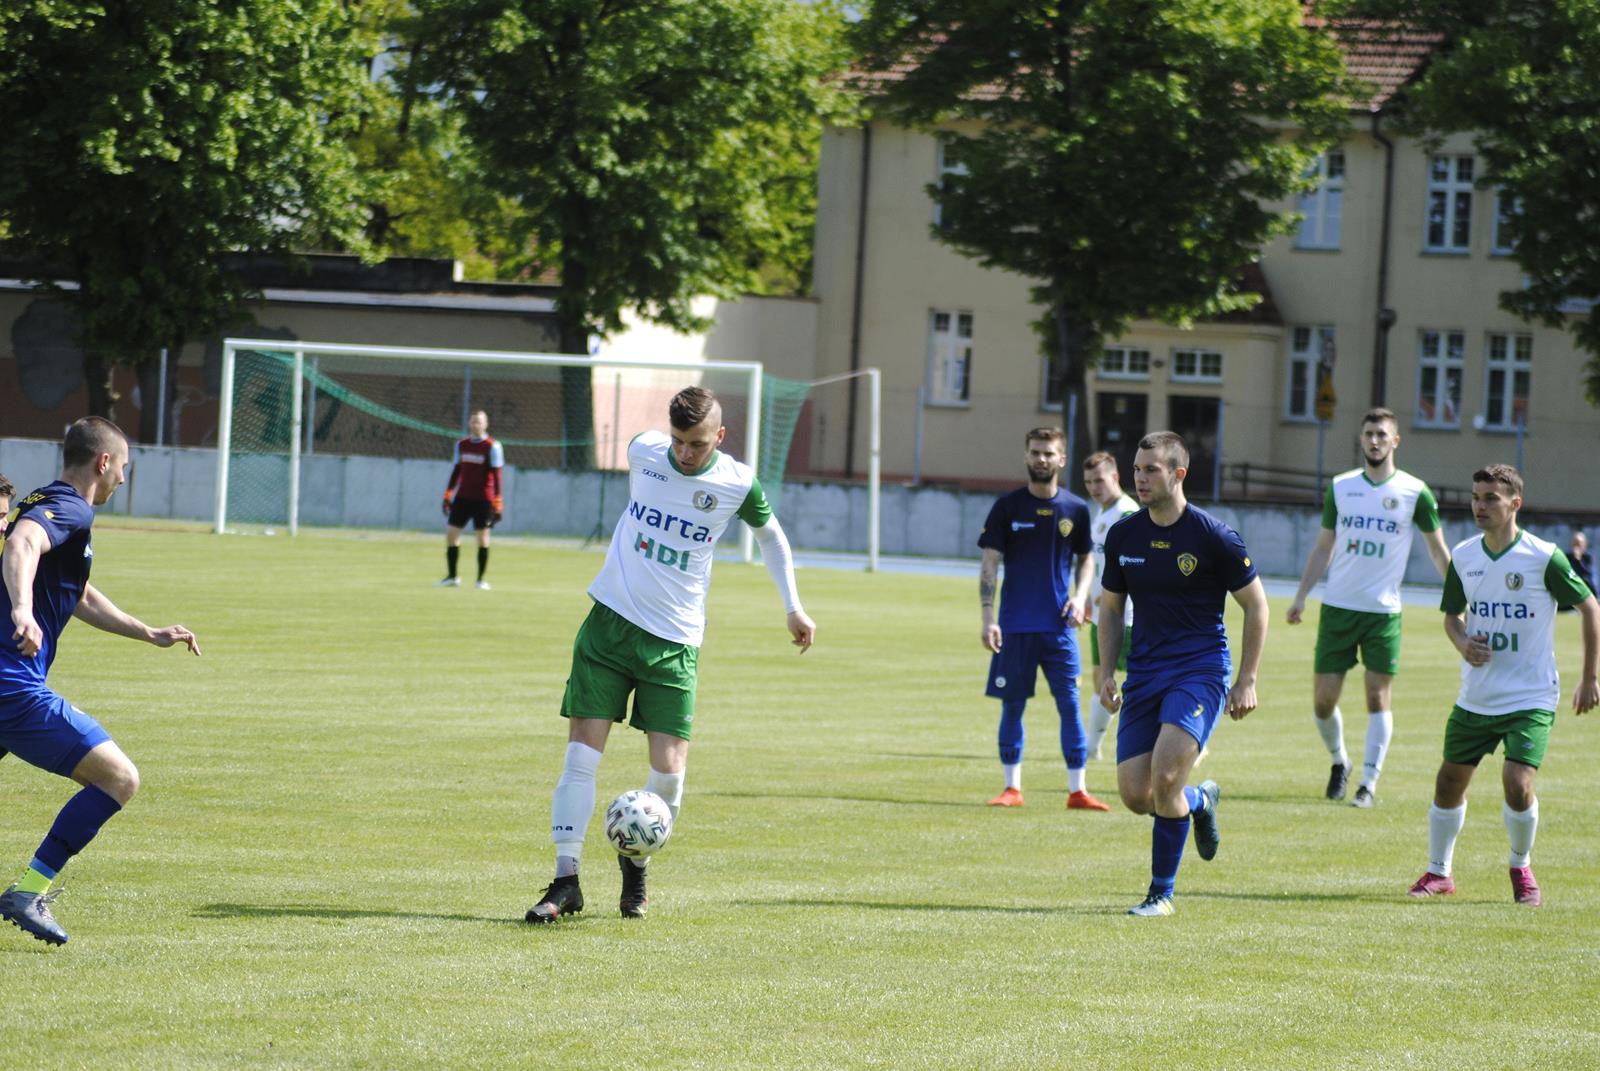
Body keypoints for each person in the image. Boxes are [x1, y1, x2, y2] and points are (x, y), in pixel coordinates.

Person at [527, 387, 816, 923]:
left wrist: (793, 608)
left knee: (669, 773)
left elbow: (772, 538)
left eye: (699, 444)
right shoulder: (645, 452)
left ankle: (634, 866)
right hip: (609, 626)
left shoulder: (735, 482)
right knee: (579, 759)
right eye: (680, 442)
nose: (686, 454)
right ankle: (565, 880)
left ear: (720, 437)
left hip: (675, 642)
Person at [0, 418, 200, 946]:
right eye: (124, 469)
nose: (124, 481)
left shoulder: (50, 501)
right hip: (13, 687)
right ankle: (29, 890)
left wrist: (148, 632)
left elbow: (80, 594)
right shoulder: (70, 506)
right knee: (119, 779)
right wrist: (23, 610)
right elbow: (20, 545)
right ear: (103, 462)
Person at [1408, 464, 1598, 907]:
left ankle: (1520, 866)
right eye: (1476, 496)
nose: (1480, 505)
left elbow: (1591, 608)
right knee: (1448, 782)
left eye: (1490, 498)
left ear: (1515, 504)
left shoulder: (1543, 556)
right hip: (1477, 693)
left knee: (1517, 781)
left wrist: (1590, 678)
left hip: (1530, 695)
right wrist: (1462, 644)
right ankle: (1439, 873)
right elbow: (1452, 618)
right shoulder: (1465, 557)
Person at [1097, 431, 1268, 917]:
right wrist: (1108, 672)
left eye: (1151, 469)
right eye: (1136, 469)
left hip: (1200, 670)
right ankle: (1200, 801)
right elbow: (1111, 609)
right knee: (1137, 795)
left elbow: (1256, 607)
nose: (1140, 478)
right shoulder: (1124, 535)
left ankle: (1161, 894)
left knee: (1165, 776)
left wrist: (1247, 679)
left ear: (1178, 474)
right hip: (1145, 674)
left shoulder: (1214, 536)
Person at [1286, 407, 1451, 807]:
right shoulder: (1341, 488)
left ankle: (1368, 784)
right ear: (1360, 440)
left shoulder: (1416, 491)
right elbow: (1324, 545)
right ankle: (1340, 761)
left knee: (1378, 696)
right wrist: (1301, 595)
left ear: (1395, 441)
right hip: (1339, 608)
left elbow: (1436, 549)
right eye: (1368, 434)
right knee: (1323, 702)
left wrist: (1459, 599)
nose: (1374, 440)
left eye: (1382, 434)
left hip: (1384, 612)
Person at [977, 428, 1107, 812]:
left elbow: (1086, 558)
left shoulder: (1075, 510)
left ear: (1061, 460)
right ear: (1025, 456)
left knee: (1069, 704)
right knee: (1012, 705)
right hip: (1014, 626)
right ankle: (1011, 787)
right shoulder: (1006, 508)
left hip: (1059, 628)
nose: (1041, 459)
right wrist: (988, 617)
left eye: (1049, 453)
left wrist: (1080, 597)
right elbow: (989, 563)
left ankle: (1078, 790)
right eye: (1035, 452)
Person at [1082, 451, 1140, 762]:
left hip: (1126, 617)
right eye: (1089, 482)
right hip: (1102, 615)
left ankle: (1179, 739)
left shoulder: (1127, 513)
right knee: (1100, 679)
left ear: (1115, 478)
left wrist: (1113, 596)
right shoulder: (1102, 513)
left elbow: (1134, 564)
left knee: (1135, 684)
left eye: (1100, 480)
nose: (1094, 487)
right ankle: (1093, 749)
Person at [437, 410, 503, 590]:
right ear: (469, 423)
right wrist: (448, 493)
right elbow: (457, 470)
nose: (476, 425)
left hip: (483, 500)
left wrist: (498, 501)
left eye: (479, 422)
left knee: (482, 539)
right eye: (473, 421)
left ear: (486, 424)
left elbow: (497, 476)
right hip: (463, 498)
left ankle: (480, 579)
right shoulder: (462, 445)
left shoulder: (493, 446)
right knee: (451, 535)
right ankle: (452, 577)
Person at [1565, 530, 1597, 602]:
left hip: (1585, 586)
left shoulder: (1588, 557)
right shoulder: (1567, 557)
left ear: (1584, 545)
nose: (1576, 547)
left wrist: (1578, 560)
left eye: (1578, 544)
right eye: (1574, 544)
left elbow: (1588, 573)